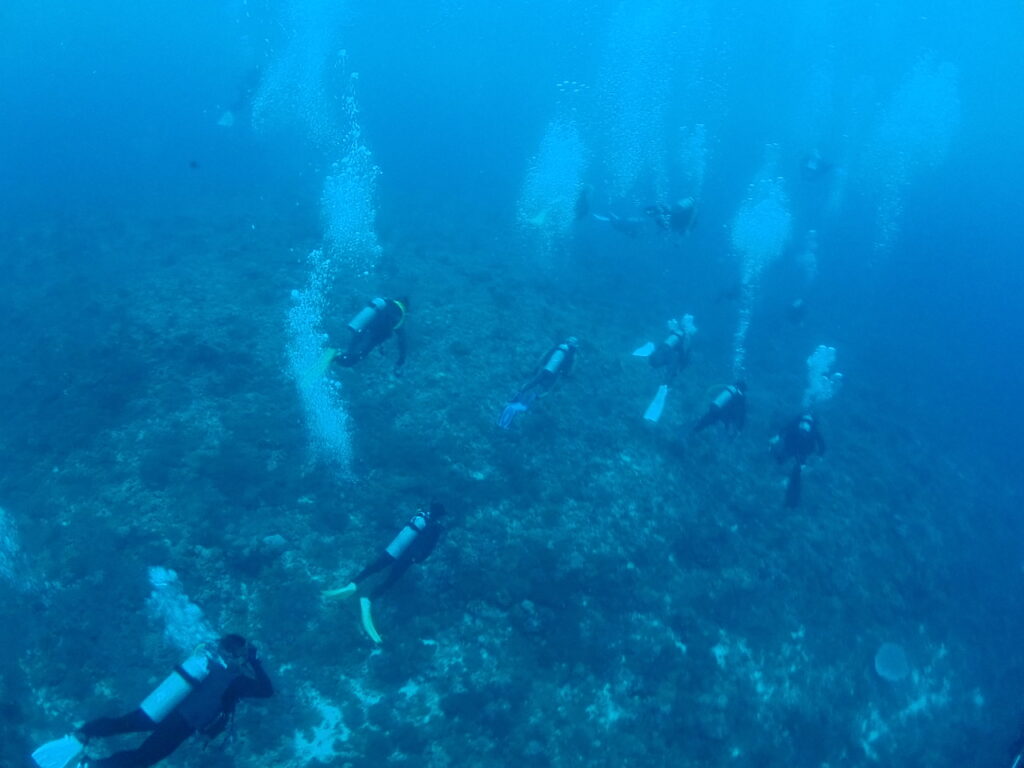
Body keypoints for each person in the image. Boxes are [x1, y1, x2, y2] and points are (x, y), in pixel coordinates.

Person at [32, 635, 272, 768]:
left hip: (162, 706)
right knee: (144, 758)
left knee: (122, 724)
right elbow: (266, 690)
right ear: (238, 654)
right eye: (243, 654)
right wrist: (256, 662)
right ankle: (91, 767)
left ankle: (81, 735)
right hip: (181, 722)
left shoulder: (205, 663)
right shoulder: (235, 680)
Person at [322, 501, 446, 644]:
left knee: (374, 567)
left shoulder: (420, 515)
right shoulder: (435, 528)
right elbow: (427, 549)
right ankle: (368, 600)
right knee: (390, 581)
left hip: (394, 547)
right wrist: (417, 559)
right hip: (407, 556)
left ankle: (353, 584)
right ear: (440, 515)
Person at [498, 337, 579, 429]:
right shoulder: (571, 355)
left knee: (531, 384)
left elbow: (544, 356)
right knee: (545, 391)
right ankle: (528, 403)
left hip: (544, 369)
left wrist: (536, 367)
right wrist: (574, 359)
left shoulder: (558, 347)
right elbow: (570, 372)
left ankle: (515, 398)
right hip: (554, 375)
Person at [633, 317, 696, 423]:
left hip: (663, 348)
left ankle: (650, 347)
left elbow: (670, 340)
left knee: (653, 362)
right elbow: (684, 358)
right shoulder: (687, 339)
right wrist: (677, 371)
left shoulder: (678, 333)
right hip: (672, 356)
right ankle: (664, 389)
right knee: (668, 379)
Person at [333, 296, 408, 372]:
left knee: (351, 351)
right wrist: (402, 358)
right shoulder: (399, 314)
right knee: (356, 357)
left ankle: (338, 354)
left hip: (362, 328)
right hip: (373, 335)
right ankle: (337, 357)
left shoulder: (386, 303)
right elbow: (402, 340)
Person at [770, 413, 826, 507]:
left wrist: (777, 437)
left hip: (796, 448)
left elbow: (785, 429)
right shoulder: (812, 429)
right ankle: (789, 479)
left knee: (787, 462)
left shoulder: (798, 425)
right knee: (797, 466)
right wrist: (820, 456)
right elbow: (822, 444)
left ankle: (787, 479)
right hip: (800, 449)